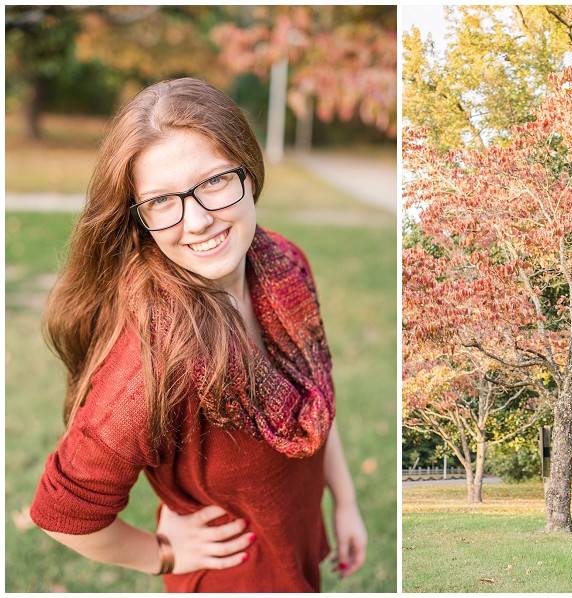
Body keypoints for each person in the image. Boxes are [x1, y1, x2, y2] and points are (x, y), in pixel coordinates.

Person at [30, 77, 367, 592]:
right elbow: (61, 512)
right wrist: (161, 553)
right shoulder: (155, 361)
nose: (199, 220)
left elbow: (314, 395)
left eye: (213, 182)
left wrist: (344, 502)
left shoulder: (284, 268)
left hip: (294, 553)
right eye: (162, 200)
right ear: (140, 219)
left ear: (248, 174)